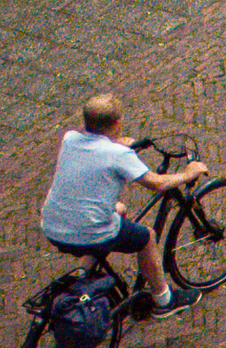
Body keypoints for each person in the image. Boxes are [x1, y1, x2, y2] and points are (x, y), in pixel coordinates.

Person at [40, 92, 206, 313]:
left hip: (52, 226)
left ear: (85, 121)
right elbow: (156, 183)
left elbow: (96, 150)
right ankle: (164, 301)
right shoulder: (118, 154)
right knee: (147, 238)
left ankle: (86, 274)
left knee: (120, 209)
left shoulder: (70, 138)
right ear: (118, 122)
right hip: (86, 231)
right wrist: (187, 174)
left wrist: (117, 144)